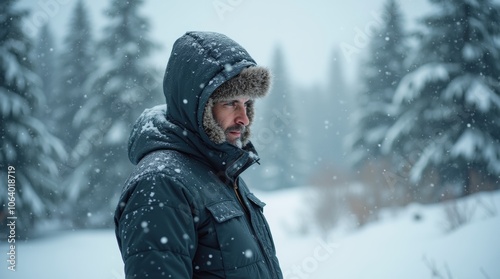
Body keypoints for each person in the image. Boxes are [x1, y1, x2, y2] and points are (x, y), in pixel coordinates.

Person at [114, 31, 283, 278]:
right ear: (198, 105)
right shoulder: (162, 184)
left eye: (246, 104)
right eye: (230, 103)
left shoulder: (221, 170)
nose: (244, 118)